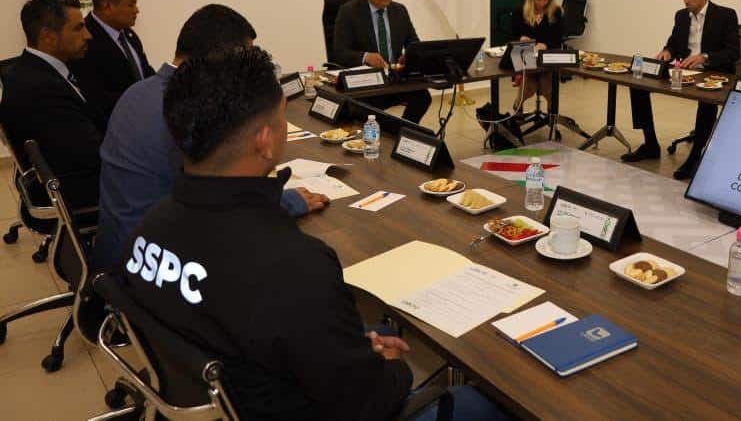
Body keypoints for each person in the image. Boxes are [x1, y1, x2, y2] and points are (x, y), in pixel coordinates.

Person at [118, 46, 504, 420]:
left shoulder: (149, 228)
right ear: (265, 141)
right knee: (486, 402)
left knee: (368, 334)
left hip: (239, 388)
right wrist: (392, 367)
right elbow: (369, 404)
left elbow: (267, 323)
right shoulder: (294, 267)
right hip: (301, 401)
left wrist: (350, 349)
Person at [92, 5, 329, 270]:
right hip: (153, 260)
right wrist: (285, 202)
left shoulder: (138, 91)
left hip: (120, 244)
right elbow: (219, 202)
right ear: (220, 58)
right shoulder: (185, 109)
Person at [623, 0, 739, 181]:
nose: (686, 1)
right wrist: (667, 52)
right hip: (684, 71)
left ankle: (695, 155)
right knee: (638, 83)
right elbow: (673, 43)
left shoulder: (725, 15)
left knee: (707, 100)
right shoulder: (681, 16)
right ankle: (650, 144)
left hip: (713, 72)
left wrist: (704, 57)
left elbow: (733, 52)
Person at [0, 0, 103, 208]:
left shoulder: (43, 70)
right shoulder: (39, 88)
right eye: (78, 28)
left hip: (76, 175)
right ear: (49, 36)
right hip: (76, 190)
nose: (88, 35)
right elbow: (88, 153)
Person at [332, 0, 432, 124]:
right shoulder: (349, 12)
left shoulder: (399, 11)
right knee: (363, 109)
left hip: (394, 78)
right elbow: (339, 52)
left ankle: (403, 132)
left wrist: (410, 55)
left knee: (422, 97)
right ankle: (390, 131)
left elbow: (414, 43)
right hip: (366, 81)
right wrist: (365, 57)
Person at [70, 0, 155, 121]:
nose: (136, 10)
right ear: (107, 6)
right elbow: (95, 94)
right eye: (131, 5)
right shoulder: (84, 38)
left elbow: (145, 74)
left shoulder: (129, 35)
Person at [510, 0, 564, 109]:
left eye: (545, 0)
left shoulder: (556, 12)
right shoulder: (520, 12)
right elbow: (511, 36)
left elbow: (558, 38)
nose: (542, 3)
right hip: (525, 56)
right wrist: (520, 38)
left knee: (547, 86)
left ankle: (552, 113)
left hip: (547, 56)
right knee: (529, 86)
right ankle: (518, 106)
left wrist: (545, 45)